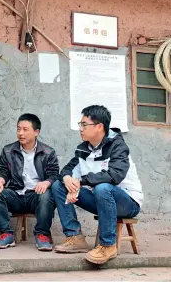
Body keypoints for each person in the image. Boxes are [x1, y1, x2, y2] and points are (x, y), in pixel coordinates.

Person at [51, 105, 143, 265]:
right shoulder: (84, 150)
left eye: (84, 124)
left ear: (99, 126)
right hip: (101, 199)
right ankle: (75, 237)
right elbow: (67, 170)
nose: (80, 128)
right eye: (80, 124)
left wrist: (81, 181)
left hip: (127, 202)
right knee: (58, 186)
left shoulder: (118, 147)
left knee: (103, 187)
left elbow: (115, 175)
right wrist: (68, 180)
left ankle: (108, 245)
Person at [0, 114, 59, 251]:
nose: (21, 133)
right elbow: (3, 171)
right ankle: (6, 234)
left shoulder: (48, 152)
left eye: (25, 129)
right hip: (16, 194)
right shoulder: (8, 150)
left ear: (36, 132)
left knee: (46, 194)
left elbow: (54, 175)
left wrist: (46, 182)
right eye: (18, 129)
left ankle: (42, 234)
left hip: (36, 196)